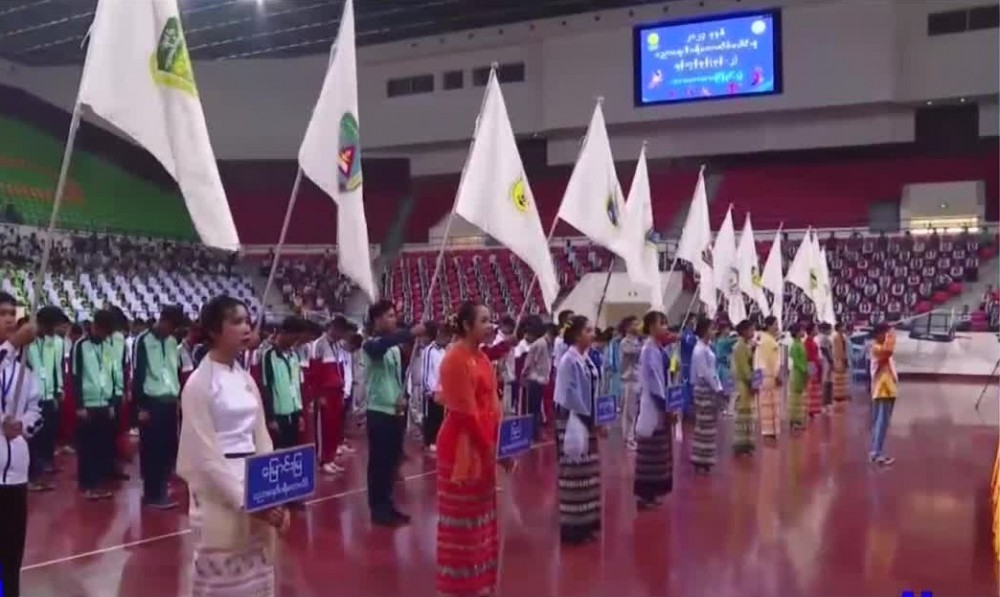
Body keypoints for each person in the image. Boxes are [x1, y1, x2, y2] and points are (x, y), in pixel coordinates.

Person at [176, 296, 288, 597]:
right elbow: (205, 456)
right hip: (219, 490)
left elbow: (261, 437)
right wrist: (247, 500)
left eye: (247, 321)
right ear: (214, 330)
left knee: (256, 576)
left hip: (254, 480)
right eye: (236, 321)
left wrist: (270, 491)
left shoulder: (246, 379)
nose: (246, 328)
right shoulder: (198, 384)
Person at [435, 301, 504, 597]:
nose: (490, 326)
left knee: (481, 522)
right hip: (461, 448)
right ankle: (459, 586)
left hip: (484, 443)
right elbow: (465, 414)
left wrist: (501, 443)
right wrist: (488, 446)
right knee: (462, 525)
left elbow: (493, 403)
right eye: (484, 320)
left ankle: (480, 582)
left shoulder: (483, 358)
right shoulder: (454, 359)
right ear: (467, 325)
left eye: (491, 320)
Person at [363, 300, 422, 527]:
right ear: (377, 320)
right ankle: (377, 508)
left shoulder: (395, 350)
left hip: (395, 410)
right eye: (389, 316)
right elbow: (381, 347)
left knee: (391, 462)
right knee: (378, 463)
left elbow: (398, 377)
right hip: (378, 411)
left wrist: (402, 396)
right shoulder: (370, 345)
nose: (393, 319)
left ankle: (388, 504)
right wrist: (408, 333)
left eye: (393, 315)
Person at [0, 293, 41, 597]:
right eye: (2, 313)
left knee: (11, 555)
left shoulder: (24, 371)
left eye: (12, 314)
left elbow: (37, 411)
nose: (9, 319)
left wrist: (22, 426)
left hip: (16, 475)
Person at [554, 315, 602, 544]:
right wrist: (588, 417)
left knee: (588, 474)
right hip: (573, 419)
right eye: (588, 330)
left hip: (587, 417)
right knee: (574, 472)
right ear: (576, 335)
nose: (592, 334)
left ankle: (587, 522)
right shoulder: (568, 360)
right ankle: (573, 527)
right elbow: (569, 394)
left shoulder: (586, 358)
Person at [133, 305, 186, 510]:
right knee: (152, 450)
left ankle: (161, 490)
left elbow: (175, 370)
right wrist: (141, 406)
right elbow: (138, 373)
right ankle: (151, 494)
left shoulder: (172, 342)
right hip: (151, 403)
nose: (173, 331)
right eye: (172, 326)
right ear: (163, 321)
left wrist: (178, 397)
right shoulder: (143, 341)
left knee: (167, 449)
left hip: (169, 402)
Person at [72, 309, 120, 500]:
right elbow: (75, 376)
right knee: (87, 447)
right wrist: (80, 405)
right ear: (95, 326)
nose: (106, 335)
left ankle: (97, 483)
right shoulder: (80, 345)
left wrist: (112, 402)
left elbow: (111, 373)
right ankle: (87, 485)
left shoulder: (108, 346)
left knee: (101, 446)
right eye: (104, 330)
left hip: (104, 403)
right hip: (88, 404)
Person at [26, 305, 69, 492]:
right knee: (32, 438)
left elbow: (55, 368)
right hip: (31, 397)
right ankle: (32, 476)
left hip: (49, 394)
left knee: (48, 433)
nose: (56, 330)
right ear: (44, 324)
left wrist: (58, 389)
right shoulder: (28, 341)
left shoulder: (56, 343)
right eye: (54, 326)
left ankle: (43, 467)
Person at [634, 311, 674, 510]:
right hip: (654, 403)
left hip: (662, 402)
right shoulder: (648, 349)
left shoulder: (659, 348)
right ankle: (645, 494)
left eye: (666, 323)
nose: (665, 327)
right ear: (651, 327)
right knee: (650, 452)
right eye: (661, 323)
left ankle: (655, 491)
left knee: (659, 451)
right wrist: (664, 405)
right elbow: (654, 381)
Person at [310, 316, 352, 475]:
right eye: (340, 330)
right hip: (325, 393)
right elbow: (314, 372)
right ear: (333, 328)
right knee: (324, 427)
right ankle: (322, 460)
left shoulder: (337, 346)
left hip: (336, 391)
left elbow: (340, 369)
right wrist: (318, 394)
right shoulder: (318, 344)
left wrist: (342, 390)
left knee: (334, 427)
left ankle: (330, 457)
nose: (342, 334)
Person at [261, 317, 306, 450]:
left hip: (294, 413)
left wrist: (300, 413)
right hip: (279, 416)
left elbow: (297, 386)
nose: (295, 342)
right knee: (279, 452)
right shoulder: (268, 356)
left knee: (293, 451)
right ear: (284, 333)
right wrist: (270, 418)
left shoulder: (294, 356)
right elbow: (266, 387)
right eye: (294, 338)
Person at [690, 318, 723, 473]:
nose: (714, 331)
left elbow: (713, 370)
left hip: (710, 389)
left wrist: (718, 386)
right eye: (711, 328)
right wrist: (716, 388)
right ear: (704, 331)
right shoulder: (699, 350)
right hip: (703, 389)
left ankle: (706, 457)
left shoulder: (707, 347)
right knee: (703, 425)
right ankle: (699, 458)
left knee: (709, 425)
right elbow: (704, 372)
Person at [869, 323, 897, 466]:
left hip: (887, 389)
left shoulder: (880, 347)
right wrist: (891, 336)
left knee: (882, 423)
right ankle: (876, 453)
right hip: (882, 390)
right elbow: (888, 351)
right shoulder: (876, 348)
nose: (887, 336)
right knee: (881, 423)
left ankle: (876, 451)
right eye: (885, 333)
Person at [520, 321, 551, 443]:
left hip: (534, 379)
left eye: (528, 334)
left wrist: (523, 375)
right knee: (536, 407)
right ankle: (535, 432)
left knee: (532, 408)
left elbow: (529, 363)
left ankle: (533, 433)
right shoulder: (543, 343)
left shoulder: (537, 345)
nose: (526, 337)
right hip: (540, 379)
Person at [421, 321, 448, 453]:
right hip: (432, 391)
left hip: (443, 390)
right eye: (443, 336)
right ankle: (429, 441)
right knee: (431, 416)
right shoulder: (429, 350)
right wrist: (428, 389)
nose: (446, 339)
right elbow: (426, 371)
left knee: (440, 417)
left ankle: (438, 439)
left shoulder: (444, 351)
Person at [617, 317, 643, 450]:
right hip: (628, 380)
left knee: (636, 410)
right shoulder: (625, 342)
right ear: (627, 327)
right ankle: (628, 437)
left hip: (637, 379)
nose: (638, 326)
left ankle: (633, 434)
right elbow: (635, 352)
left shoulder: (638, 341)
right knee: (629, 410)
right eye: (635, 324)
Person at [731, 320, 756, 456]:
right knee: (742, 415)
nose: (753, 332)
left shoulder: (745, 345)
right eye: (751, 330)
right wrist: (752, 382)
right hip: (743, 385)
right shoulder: (740, 347)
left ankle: (746, 444)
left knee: (747, 415)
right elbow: (744, 369)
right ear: (744, 331)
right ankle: (741, 445)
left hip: (746, 384)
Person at [756, 316, 782, 440]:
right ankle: (771, 429)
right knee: (772, 403)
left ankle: (766, 430)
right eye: (775, 324)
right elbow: (775, 361)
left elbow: (756, 360)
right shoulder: (771, 342)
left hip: (761, 375)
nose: (777, 327)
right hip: (770, 375)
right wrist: (777, 375)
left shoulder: (761, 339)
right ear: (769, 326)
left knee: (764, 403)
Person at [788, 324, 809, 432]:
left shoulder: (800, 344)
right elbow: (797, 361)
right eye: (801, 330)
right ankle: (794, 421)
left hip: (802, 372)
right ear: (796, 333)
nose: (803, 332)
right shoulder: (795, 345)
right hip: (798, 373)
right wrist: (804, 370)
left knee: (800, 398)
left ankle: (798, 420)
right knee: (795, 398)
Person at [713, 321, 736, 416]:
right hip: (724, 369)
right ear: (723, 330)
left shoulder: (720, 340)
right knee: (727, 391)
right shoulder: (723, 341)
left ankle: (725, 409)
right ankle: (726, 409)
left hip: (723, 367)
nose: (729, 330)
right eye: (728, 328)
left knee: (726, 390)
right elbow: (735, 340)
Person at [803, 323, 823, 418]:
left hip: (813, 364)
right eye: (815, 329)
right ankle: (810, 408)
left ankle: (812, 408)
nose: (817, 330)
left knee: (813, 386)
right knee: (812, 386)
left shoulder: (811, 341)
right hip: (811, 364)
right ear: (811, 331)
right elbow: (810, 356)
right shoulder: (808, 342)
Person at [817, 323, 834, 414]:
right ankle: (824, 404)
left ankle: (826, 403)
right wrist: (831, 361)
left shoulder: (822, 338)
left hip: (825, 361)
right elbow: (825, 350)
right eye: (830, 329)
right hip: (826, 361)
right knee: (826, 382)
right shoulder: (824, 338)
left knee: (827, 382)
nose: (831, 331)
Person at [831, 322, 850, 403]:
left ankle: (842, 394)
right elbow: (838, 350)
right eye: (843, 327)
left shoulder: (843, 336)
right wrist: (843, 358)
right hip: (838, 359)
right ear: (839, 328)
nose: (844, 328)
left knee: (843, 378)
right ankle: (837, 395)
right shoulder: (836, 337)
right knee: (838, 378)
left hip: (843, 359)